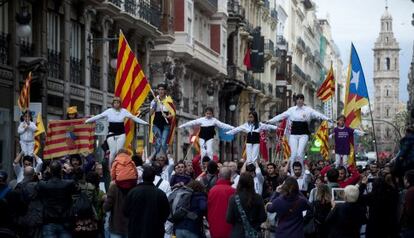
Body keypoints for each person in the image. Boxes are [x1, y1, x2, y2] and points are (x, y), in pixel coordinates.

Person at [267, 94, 332, 171]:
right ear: (296, 100)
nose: (299, 100)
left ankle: (302, 171)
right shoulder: (291, 110)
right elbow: (281, 116)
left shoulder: (308, 110)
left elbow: (318, 114)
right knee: (294, 154)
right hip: (293, 135)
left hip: (304, 134)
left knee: (300, 153)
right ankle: (292, 172)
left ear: (303, 100)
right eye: (298, 99)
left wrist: (327, 118)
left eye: (301, 99)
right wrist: (269, 121)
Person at [85, 97, 149, 165]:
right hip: (111, 134)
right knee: (113, 152)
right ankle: (110, 169)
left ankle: (118, 166)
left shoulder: (124, 111)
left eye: (118, 103)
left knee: (119, 152)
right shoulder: (109, 111)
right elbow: (99, 116)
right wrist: (88, 120)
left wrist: (145, 123)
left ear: (120, 104)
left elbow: (134, 117)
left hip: (121, 134)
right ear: (113, 104)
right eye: (115, 103)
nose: (116, 104)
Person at [123, 166, 170, 238]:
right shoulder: (160, 194)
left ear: (142, 176)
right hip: (155, 232)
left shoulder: (133, 192)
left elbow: (125, 211)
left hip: (136, 231)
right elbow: (166, 213)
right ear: (154, 178)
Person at [37, 160, 77, 238]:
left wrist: (43, 177)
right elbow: (77, 189)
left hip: (49, 222)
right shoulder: (68, 184)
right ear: (61, 170)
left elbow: (38, 188)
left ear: (50, 171)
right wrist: (70, 173)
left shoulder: (43, 185)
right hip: (65, 221)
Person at [226, 173, 267, 238]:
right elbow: (263, 218)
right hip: (254, 232)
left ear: (239, 183)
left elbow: (229, 219)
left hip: (238, 232)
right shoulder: (258, 198)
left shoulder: (233, 198)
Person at [358, 174, 399, 238]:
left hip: (373, 226)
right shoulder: (390, 194)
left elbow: (358, 197)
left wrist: (363, 185)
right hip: (387, 226)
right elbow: (395, 190)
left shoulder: (372, 196)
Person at [207, 167, 236, 238]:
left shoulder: (212, 190)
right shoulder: (233, 191)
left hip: (214, 228)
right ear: (230, 177)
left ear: (219, 175)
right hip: (230, 229)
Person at [149, 83, 177, 157]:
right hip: (156, 124)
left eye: (162, 89)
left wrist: (167, 116)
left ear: (165, 91)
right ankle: (154, 158)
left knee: (163, 143)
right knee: (158, 142)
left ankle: (167, 159)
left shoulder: (169, 101)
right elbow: (150, 113)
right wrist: (155, 103)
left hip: (165, 125)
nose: (161, 91)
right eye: (159, 89)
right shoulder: (154, 100)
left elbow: (173, 114)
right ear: (157, 91)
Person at [400, 169, 414, 238]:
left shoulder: (410, 191)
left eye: (405, 178)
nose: (403, 181)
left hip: (410, 226)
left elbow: (409, 211)